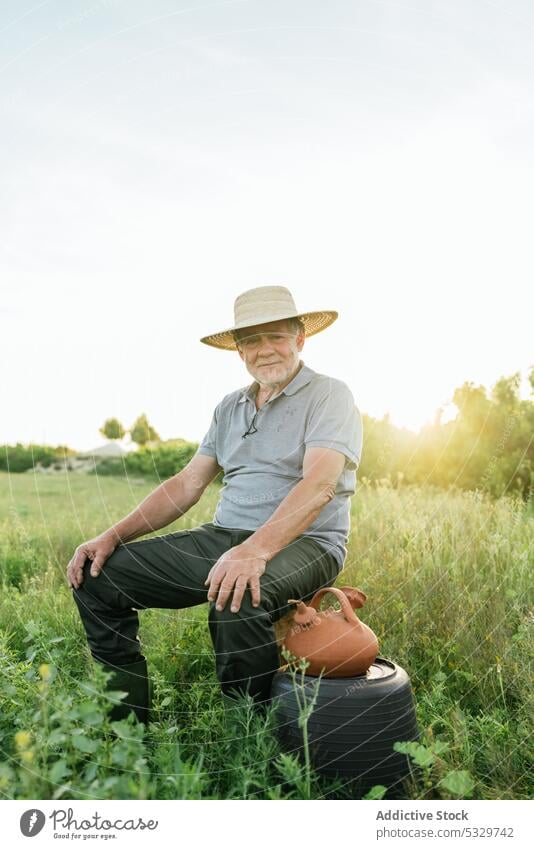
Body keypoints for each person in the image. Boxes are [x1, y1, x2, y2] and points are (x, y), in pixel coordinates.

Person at [67, 285, 363, 726]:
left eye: (276, 337)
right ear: (240, 351)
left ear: (300, 338)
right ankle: (128, 727)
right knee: (98, 578)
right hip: (226, 536)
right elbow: (187, 484)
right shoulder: (229, 408)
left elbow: (319, 485)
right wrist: (111, 536)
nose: (264, 351)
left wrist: (255, 551)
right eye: (251, 341)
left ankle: (251, 733)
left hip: (310, 540)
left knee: (240, 593)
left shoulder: (329, 395)